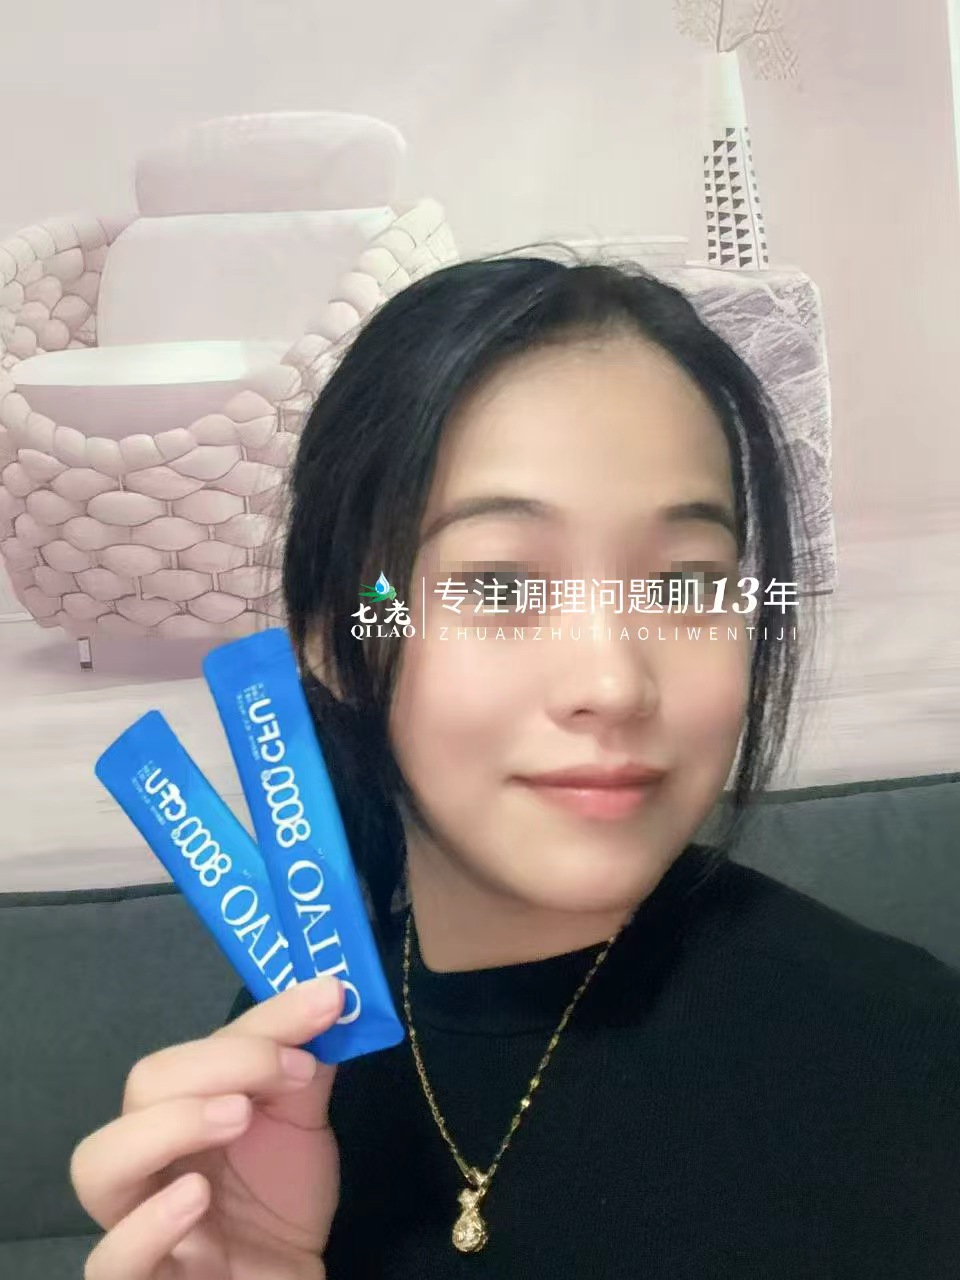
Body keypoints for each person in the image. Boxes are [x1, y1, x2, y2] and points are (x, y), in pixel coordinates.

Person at [70, 252, 960, 1279]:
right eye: (498, 586)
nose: (613, 683)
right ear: (336, 641)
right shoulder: (289, 1052)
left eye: (684, 587)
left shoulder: (905, 1060)